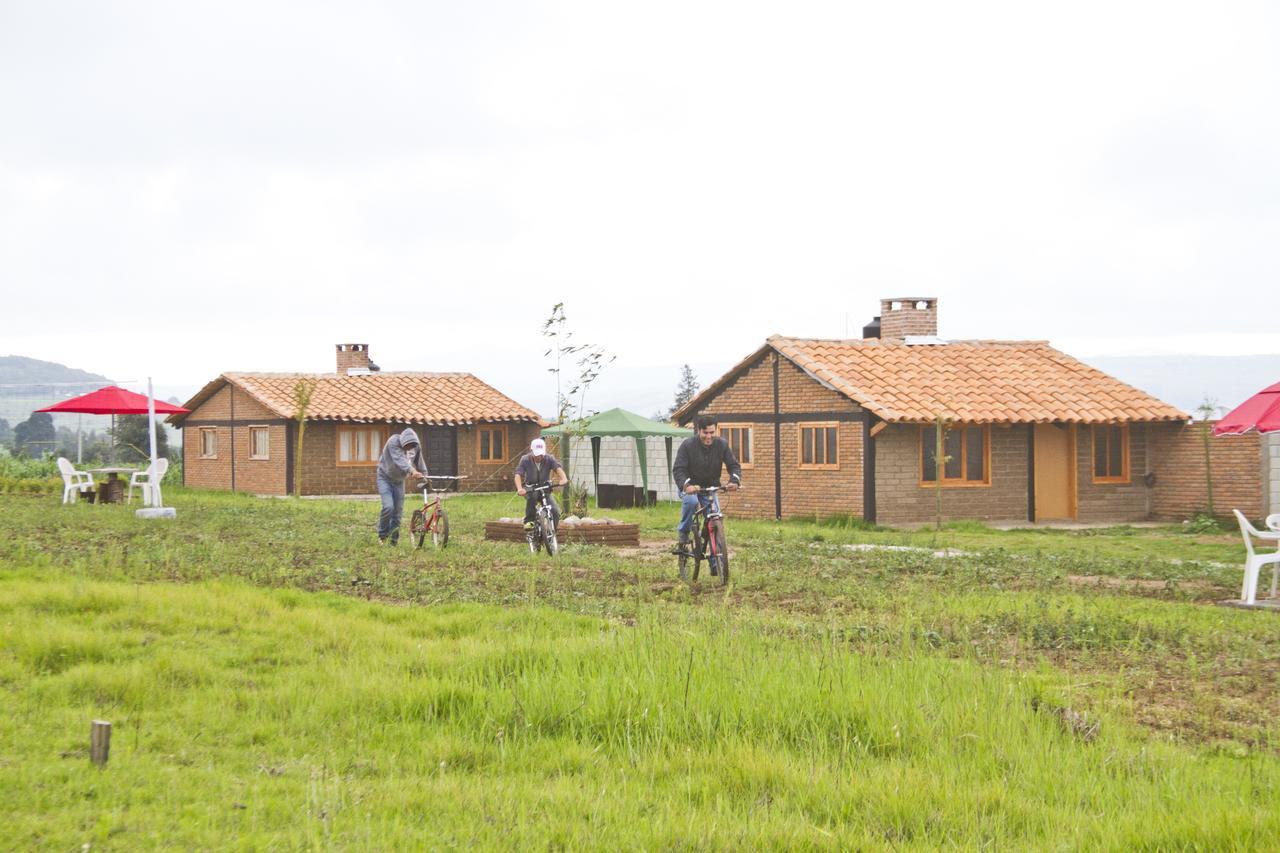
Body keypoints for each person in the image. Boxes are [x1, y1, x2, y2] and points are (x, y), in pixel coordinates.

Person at [672, 415, 741, 551]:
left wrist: (734, 481)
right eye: (705, 433)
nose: (709, 436)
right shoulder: (688, 445)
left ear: (716, 430)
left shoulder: (722, 444)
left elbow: (733, 465)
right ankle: (684, 532)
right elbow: (679, 469)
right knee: (691, 502)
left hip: (710, 488)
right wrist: (687, 486)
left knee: (715, 519)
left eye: (712, 432)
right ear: (698, 430)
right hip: (690, 487)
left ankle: (716, 563)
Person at [375, 428, 429, 545]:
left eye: (411, 446)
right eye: (407, 446)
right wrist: (412, 471)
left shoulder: (415, 446)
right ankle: (383, 535)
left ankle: (393, 541)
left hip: (399, 481)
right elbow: (400, 460)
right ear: (403, 442)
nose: (409, 449)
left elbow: (420, 462)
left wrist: (425, 477)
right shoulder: (393, 442)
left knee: (397, 512)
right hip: (385, 478)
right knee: (388, 507)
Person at [514, 437, 568, 530]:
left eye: (541, 454)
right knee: (532, 498)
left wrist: (564, 478)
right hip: (531, 488)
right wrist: (520, 489)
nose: (539, 457)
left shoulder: (549, 458)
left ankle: (551, 534)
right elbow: (518, 475)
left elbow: (558, 468)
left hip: (545, 488)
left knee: (555, 511)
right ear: (531, 450)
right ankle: (529, 522)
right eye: (537, 454)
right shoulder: (525, 459)